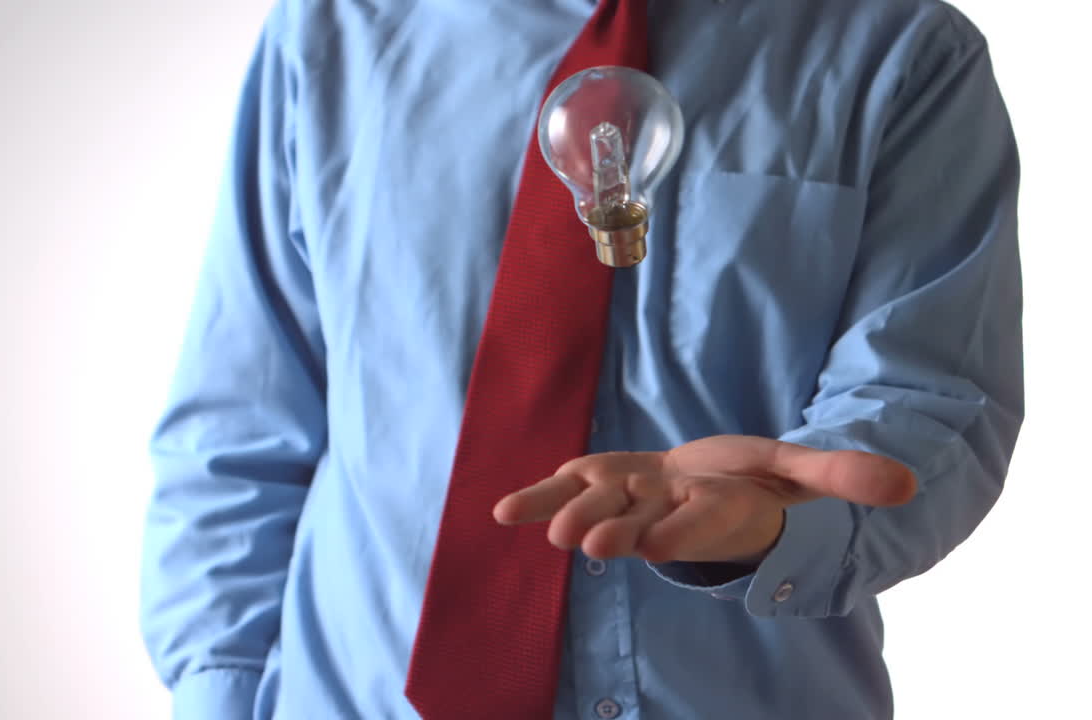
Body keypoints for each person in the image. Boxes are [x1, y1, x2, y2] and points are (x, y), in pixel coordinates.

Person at [139, 0, 1024, 717]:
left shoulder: (898, 50)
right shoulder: (334, 32)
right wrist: (220, 700)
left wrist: (776, 523)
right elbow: (240, 429)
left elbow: (926, 397)